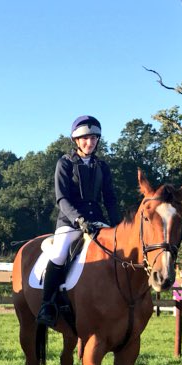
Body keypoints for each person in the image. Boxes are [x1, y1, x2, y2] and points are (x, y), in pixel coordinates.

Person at [37, 115, 121, 327]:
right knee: (59, 254)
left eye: (93, 138)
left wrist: (118, 225)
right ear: (76, 140)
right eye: (85, 138)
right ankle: (47, 304)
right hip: (70, 221)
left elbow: (110, 199)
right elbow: (62, 198)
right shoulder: (64, 163)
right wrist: (79, 219)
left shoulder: (102, 166)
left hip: (97, 222)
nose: (89, 142)